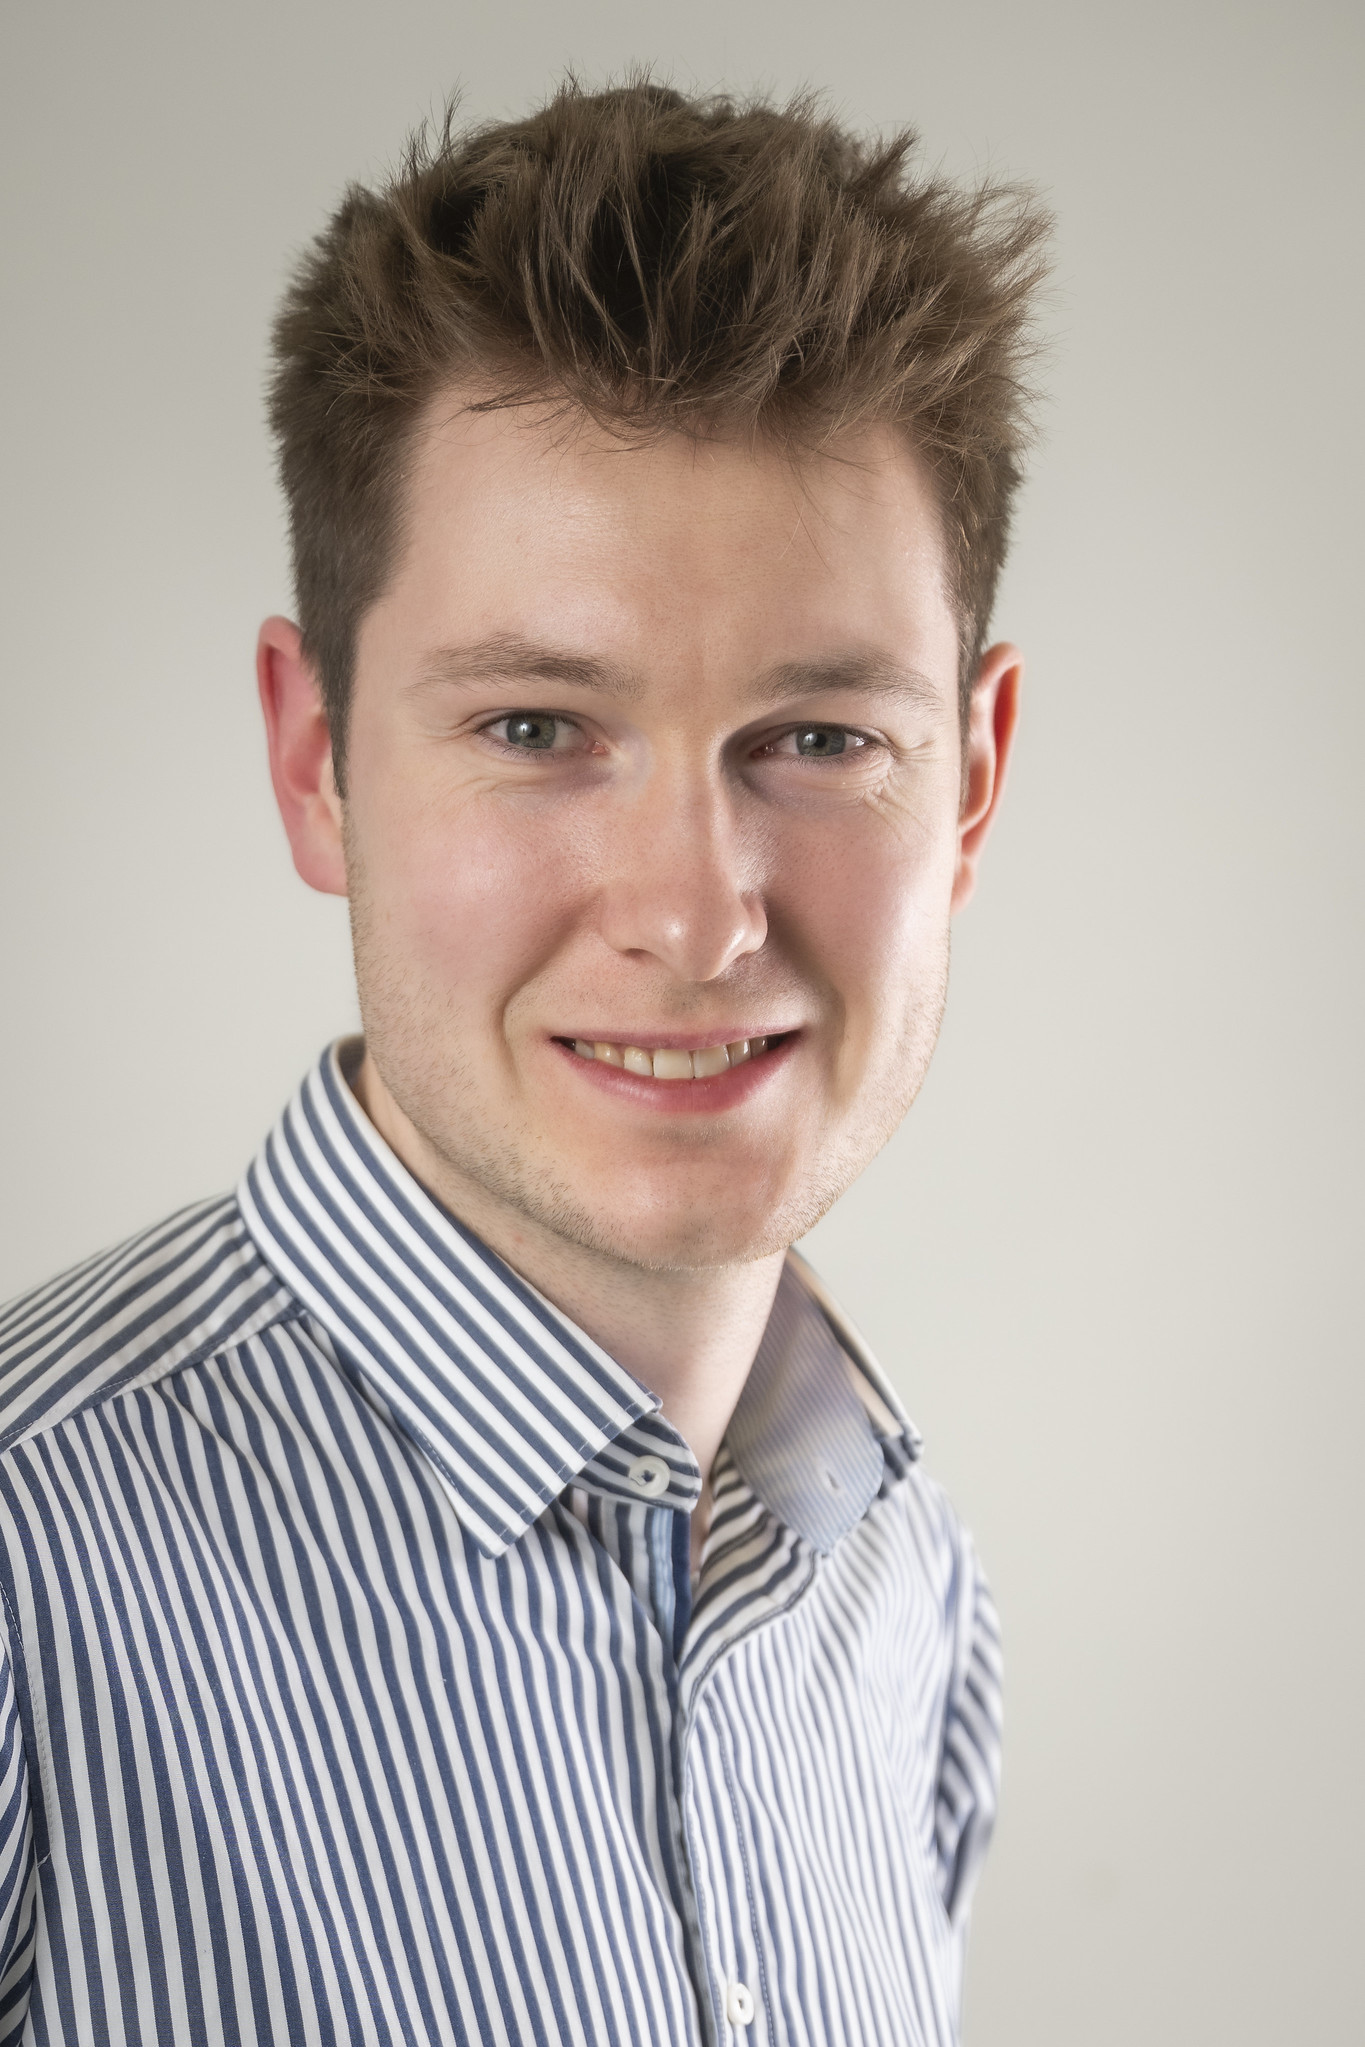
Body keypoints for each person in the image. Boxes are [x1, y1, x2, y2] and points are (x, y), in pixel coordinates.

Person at [0, 79, 1047, 2046]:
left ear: (971, 781)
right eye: (536, 728)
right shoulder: (23, 1576)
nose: (695, 916)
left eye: (820, 739)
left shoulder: (908, 1596)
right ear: (315, 759)